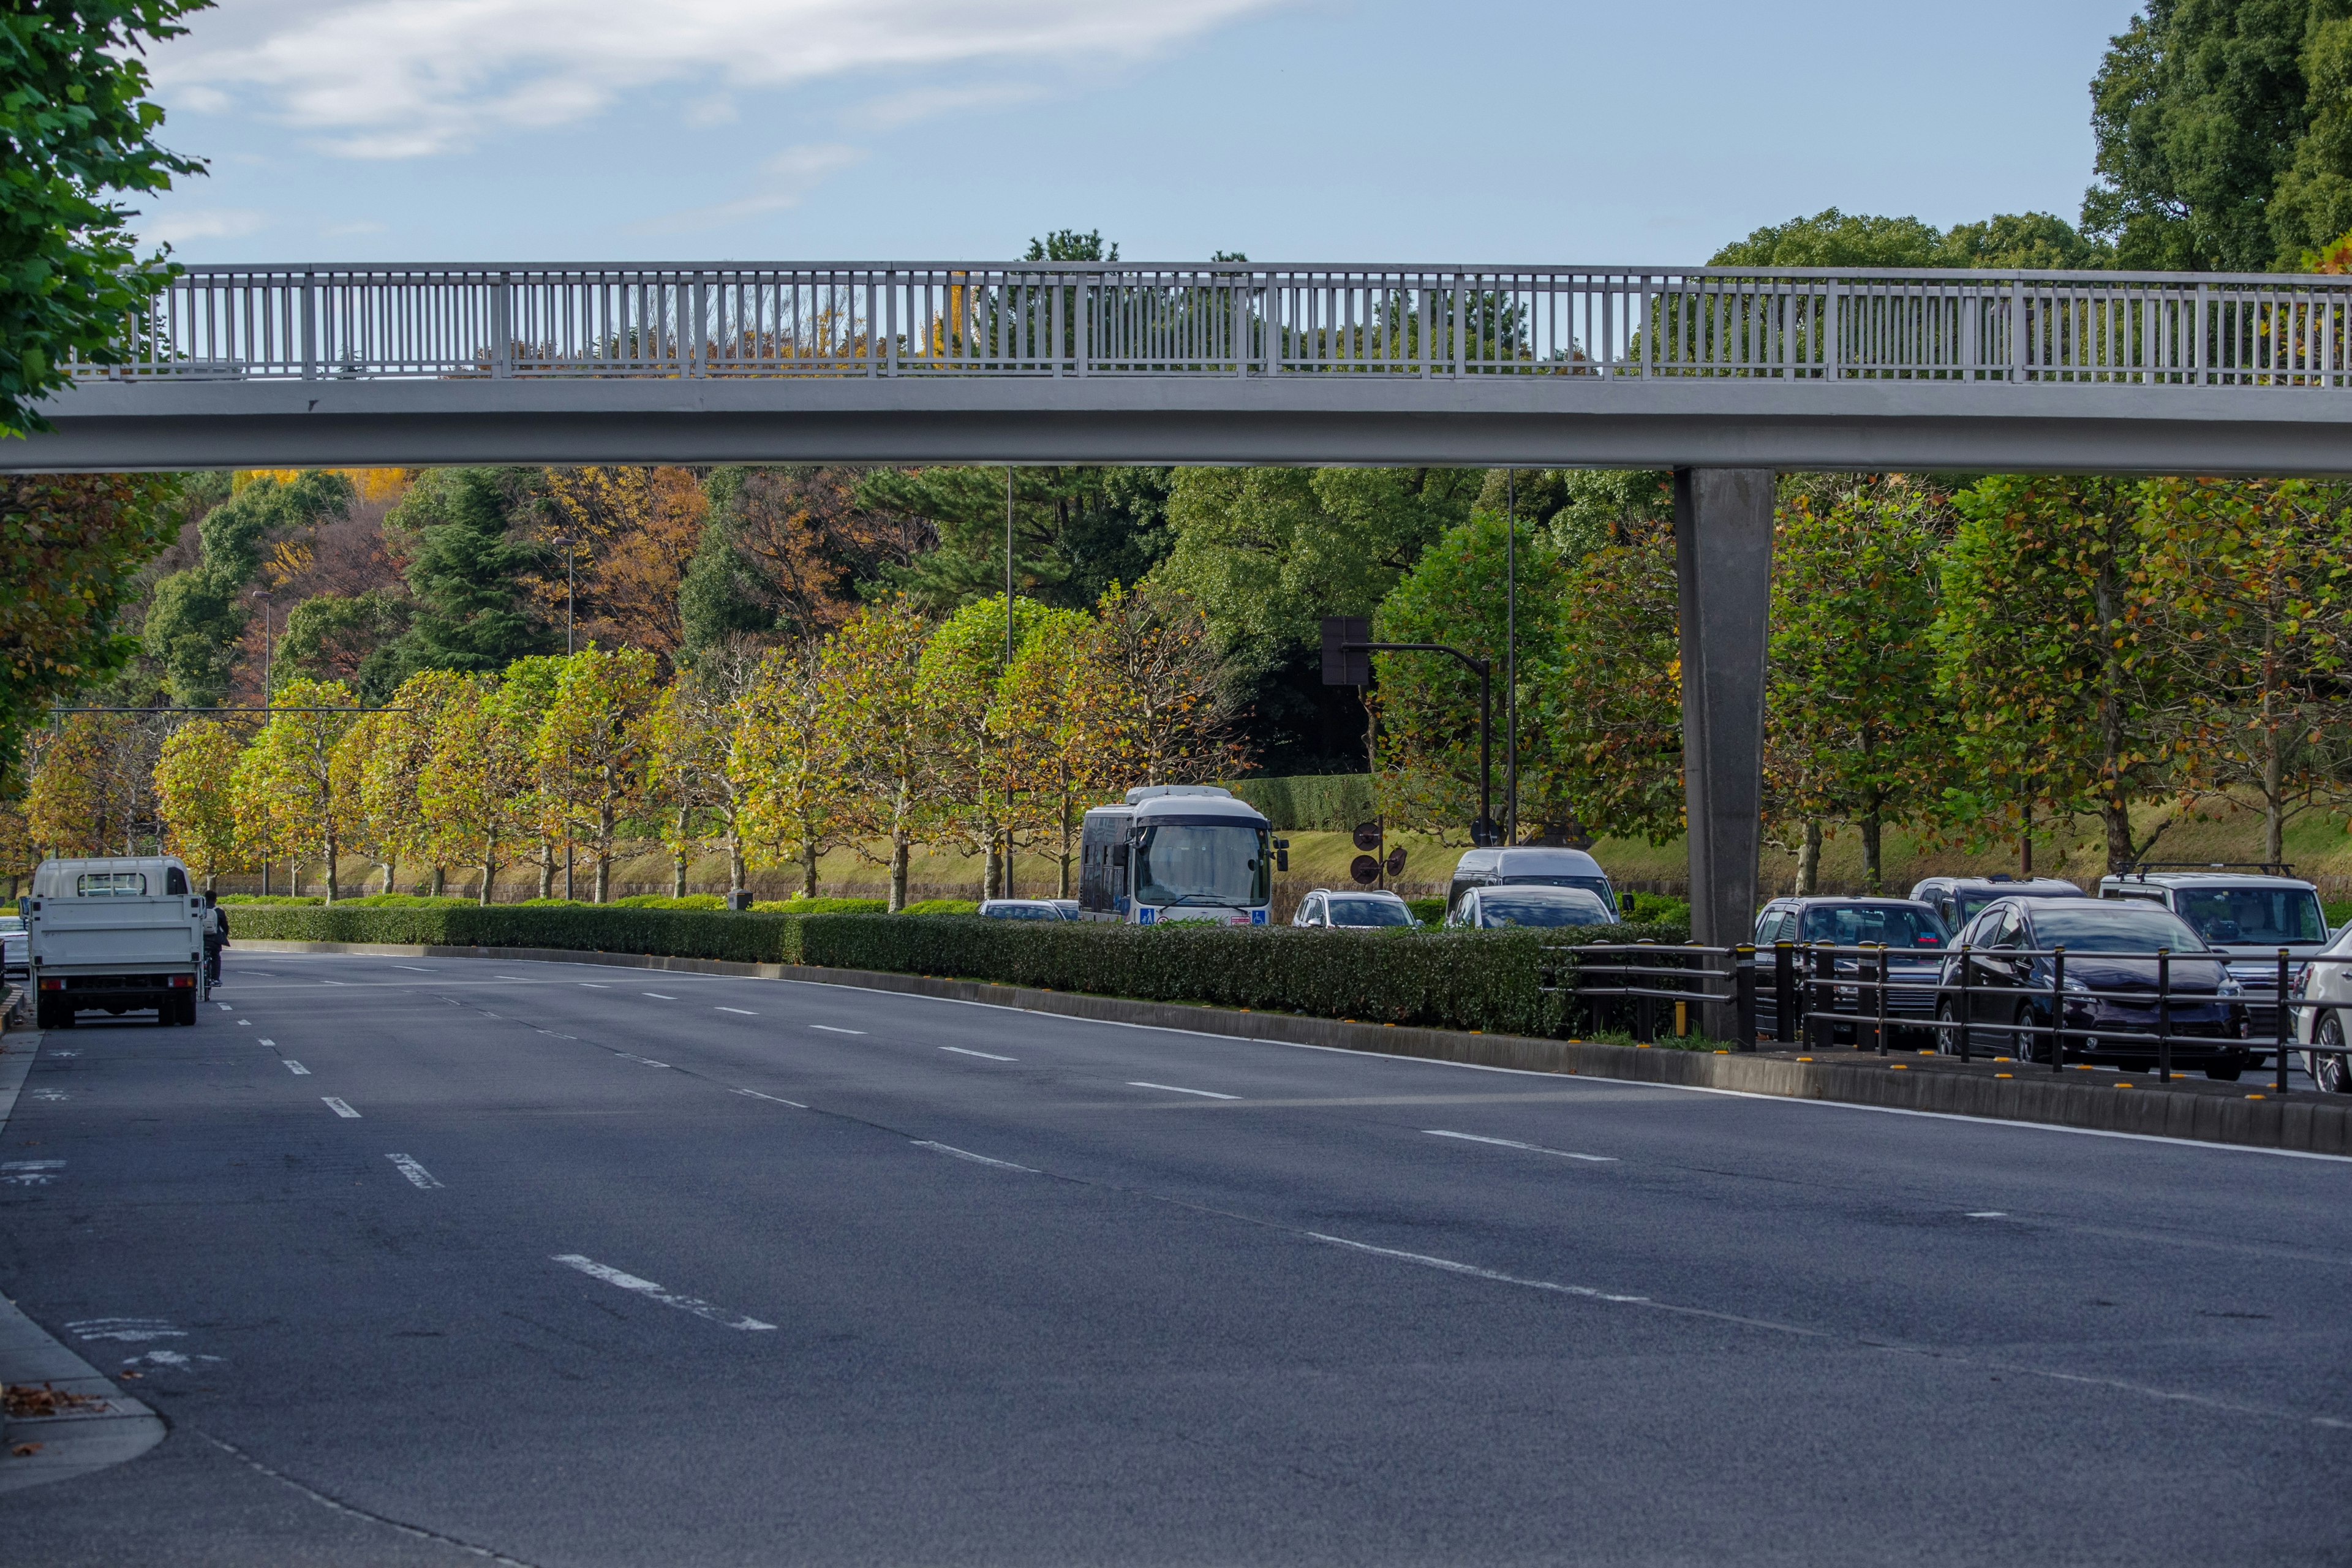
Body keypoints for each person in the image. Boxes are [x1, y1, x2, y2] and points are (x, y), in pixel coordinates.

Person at [202, 892, 228, 989]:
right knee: (216, 957)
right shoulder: (219, 912)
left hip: (201, 941)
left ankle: (199, 977)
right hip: (215, 941)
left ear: (205, 899)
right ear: (215, 900)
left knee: (199, 959)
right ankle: (216, 979)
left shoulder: (200, 911)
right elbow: (225, 928)